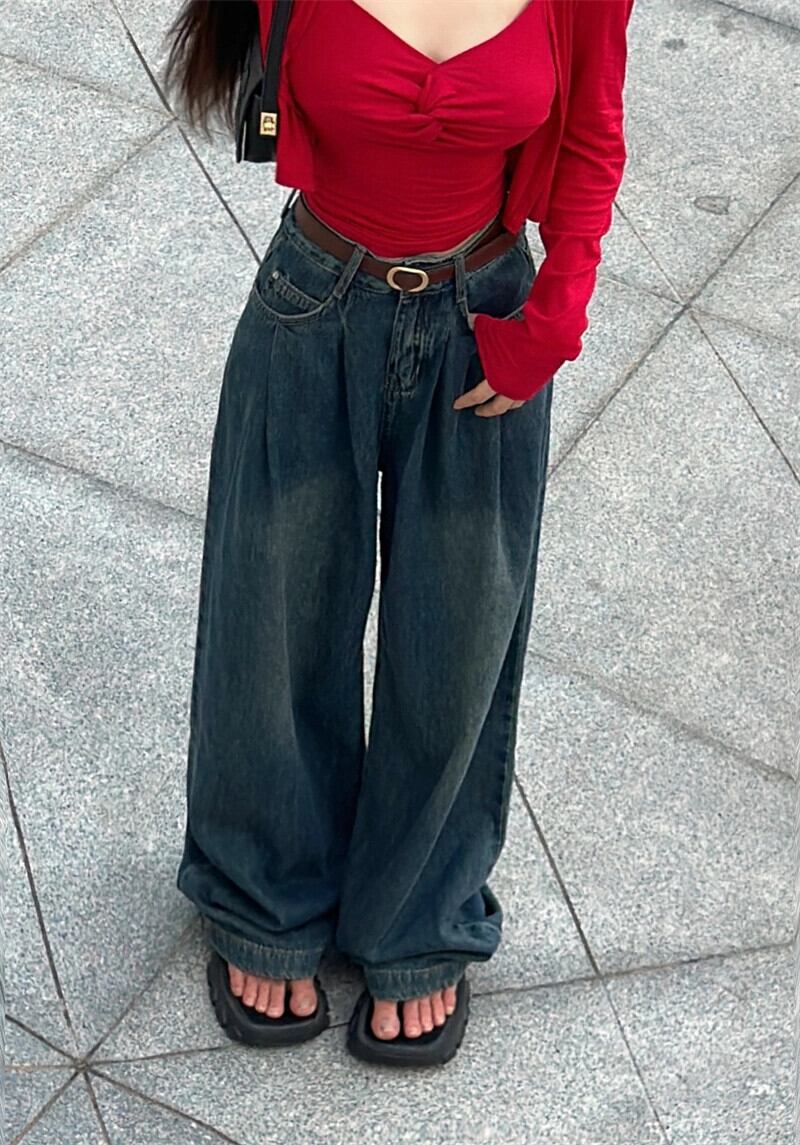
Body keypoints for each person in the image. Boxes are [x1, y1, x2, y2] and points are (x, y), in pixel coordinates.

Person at [163, 0, 633, 1067]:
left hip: (484, 317)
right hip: (311, 302)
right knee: (274, 620)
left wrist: (553, 322)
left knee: (456, 639)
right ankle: (265, 893)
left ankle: (418, 916)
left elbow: (591, 141)